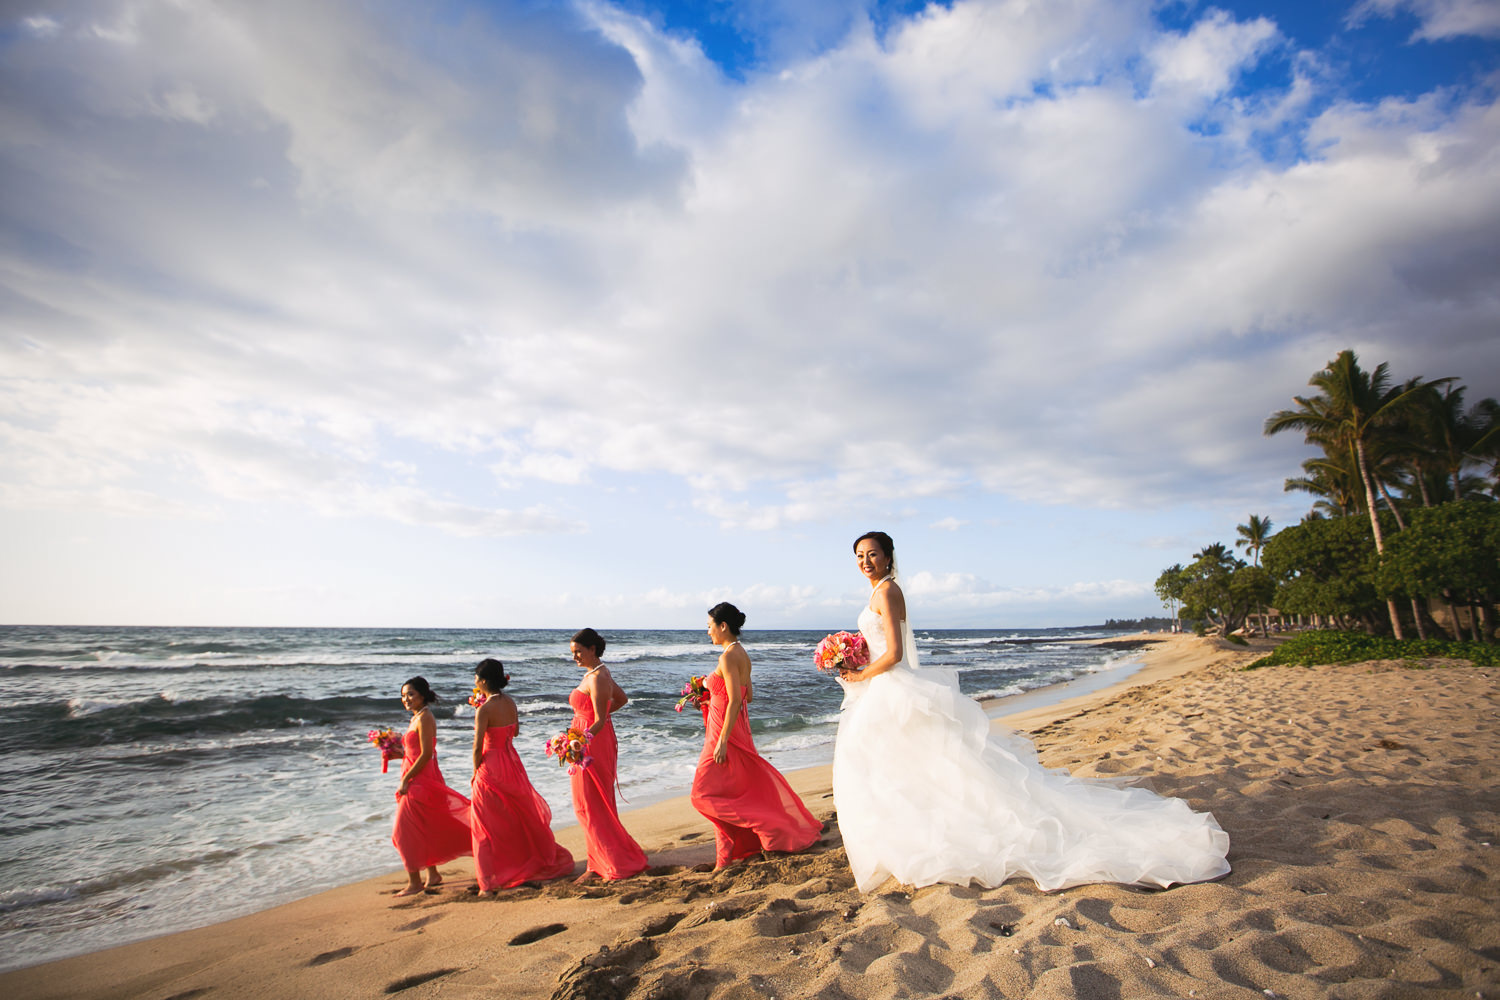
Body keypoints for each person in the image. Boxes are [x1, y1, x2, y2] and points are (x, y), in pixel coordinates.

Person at [832, 531, 1231, 893]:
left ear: (888, 557)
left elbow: (896, 654)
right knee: (905, 764)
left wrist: (862, 671)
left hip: (892, 685)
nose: (866, 561)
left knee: (899, 761)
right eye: (860, 556)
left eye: (873, 554)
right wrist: (855, 658)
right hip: (885, 686)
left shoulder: (887, 592)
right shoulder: (878, 591)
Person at [690, 603, 822, 869]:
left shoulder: (727, 657)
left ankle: (765, 826)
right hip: (735, 728)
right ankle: (726, 856)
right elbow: (748, 694)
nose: (707, 632)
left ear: (723, 626)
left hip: (724, 733)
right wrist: (708, 699)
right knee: (730, 790)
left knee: (702, 794)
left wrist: (724, 740)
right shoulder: (742, 653)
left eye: (709, 626)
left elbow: (737, 700)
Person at [468, 658, 575, 894]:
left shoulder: (483, 709)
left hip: (491, 764)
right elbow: (514, 732)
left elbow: (477, 748)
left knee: (485, 824)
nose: (474, 681)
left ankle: (487, 883)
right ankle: (520, 863)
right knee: (517, 816)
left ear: (484, 681)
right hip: (511, 762)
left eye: (476, 678)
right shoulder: (510, 703)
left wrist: (475, 773)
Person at [566, 628, 648, 882]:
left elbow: (601, 719)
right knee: (588, 803)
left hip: (591, 744)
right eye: (573, 653)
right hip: (590, 739)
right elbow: (621, 699)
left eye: (579, 652)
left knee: (591, 803)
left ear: (593, 649)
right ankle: (596, 861)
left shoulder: (598, 676)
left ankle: (608, 862)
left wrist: (579, 742)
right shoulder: (596, 673)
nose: (575, 657)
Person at [391, 676, 472, 896]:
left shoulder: (425, 718)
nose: (405, 699)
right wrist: (397, 754)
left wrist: (407, 779)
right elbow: (415, 751)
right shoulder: (416, 717)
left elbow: (427, 754)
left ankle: (414, 882)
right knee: (424, 827)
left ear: (423, 695)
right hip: (417, 776)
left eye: (410, 694)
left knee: (403, 832)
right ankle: (433, 875)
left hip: (420, 781)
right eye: (403, 695)